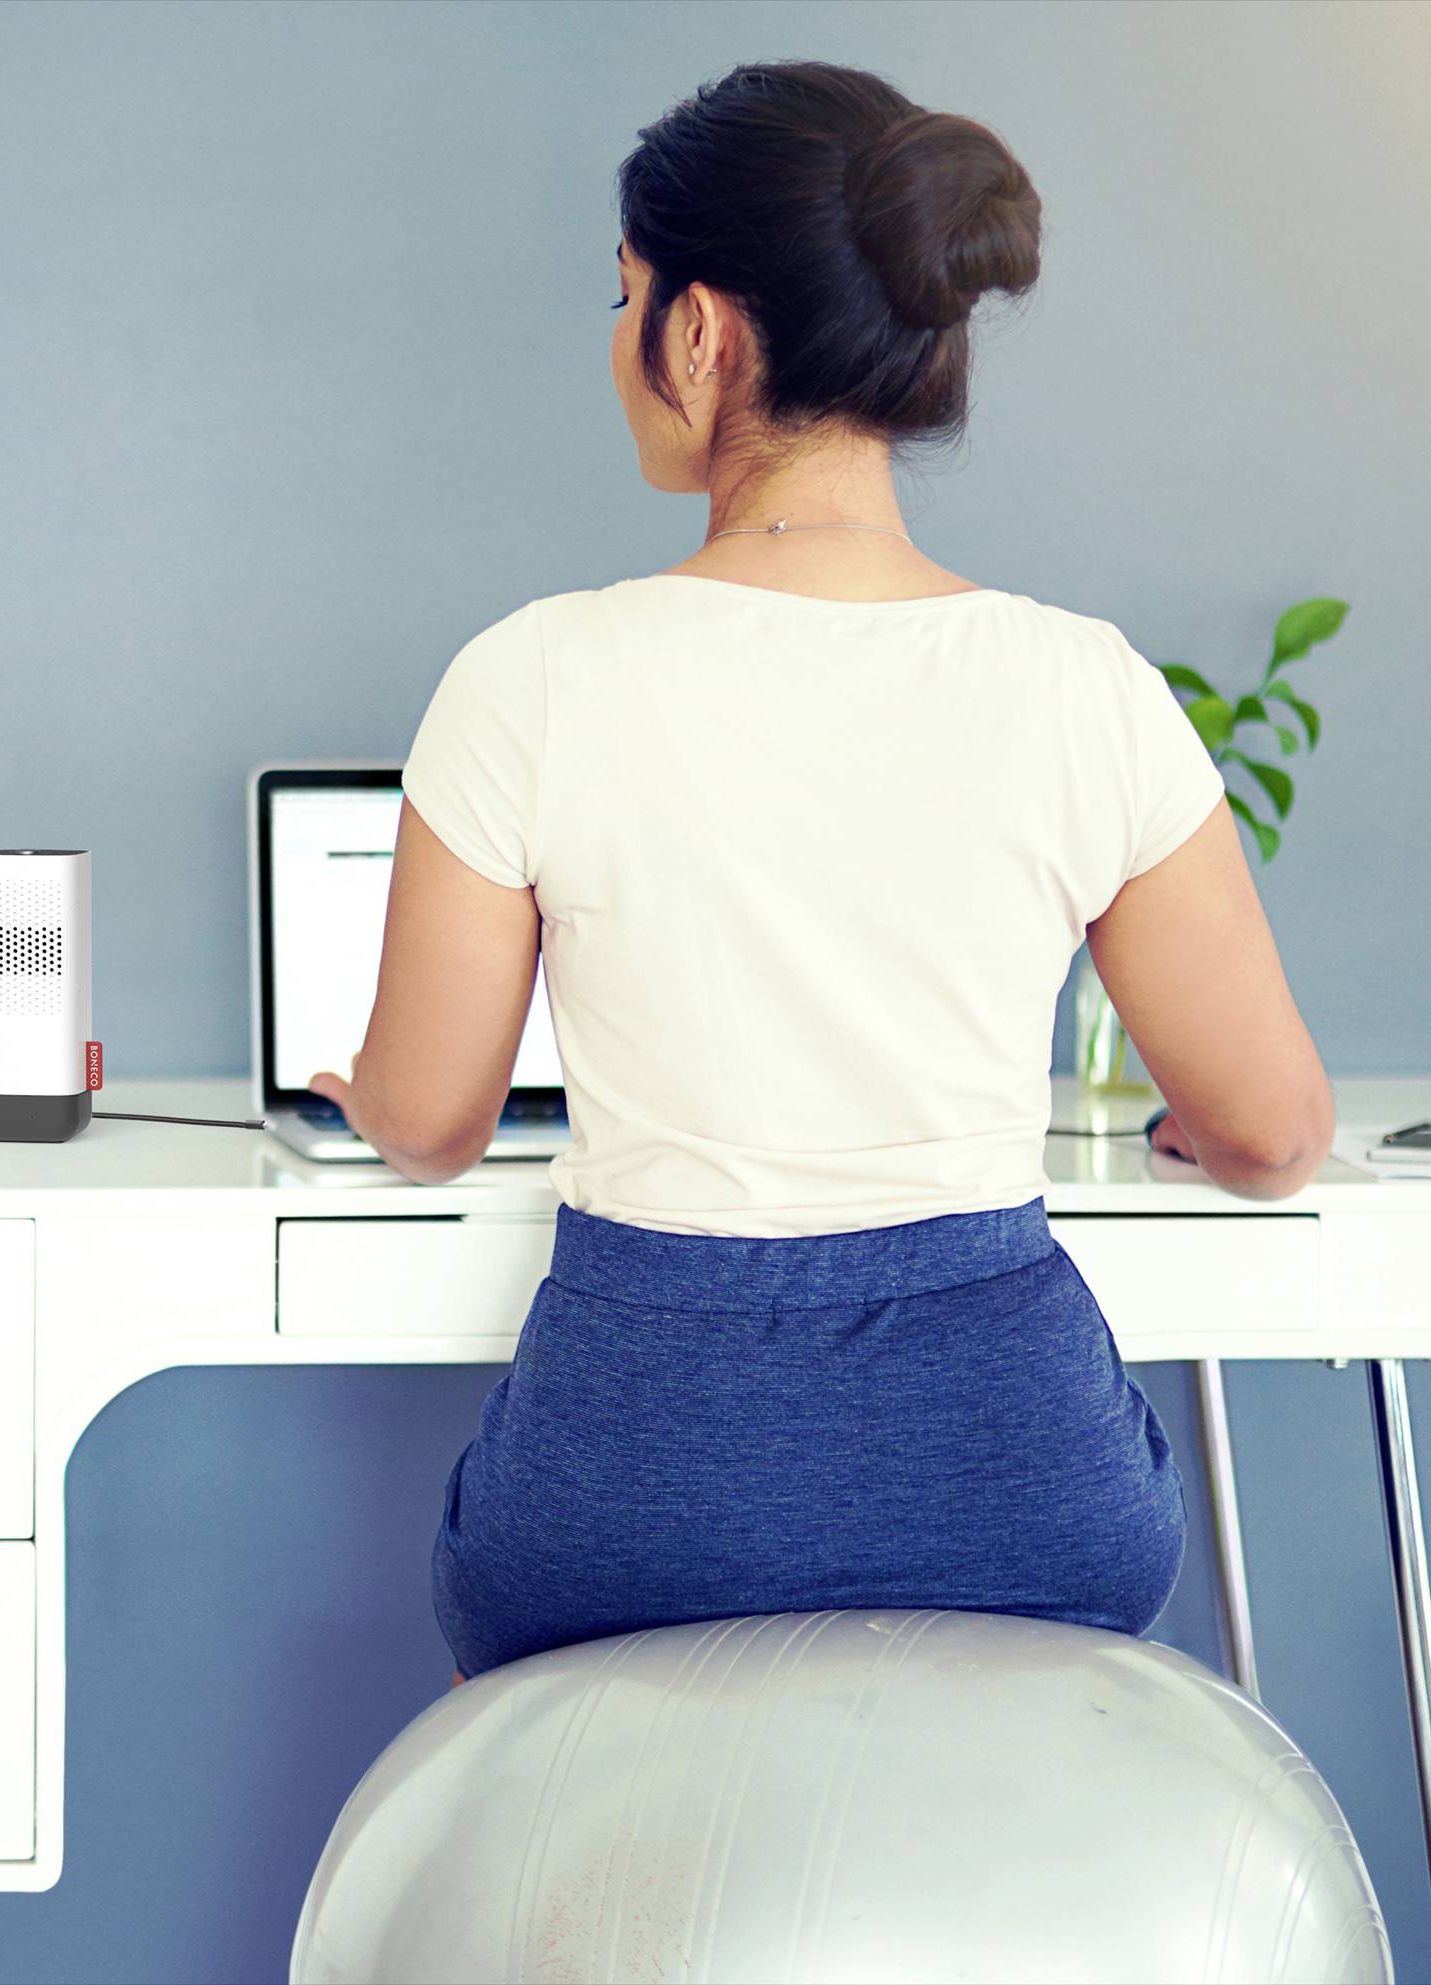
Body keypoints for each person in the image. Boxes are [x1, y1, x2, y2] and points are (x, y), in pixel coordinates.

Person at [305, 60, 1335, 1682]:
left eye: (626, 294)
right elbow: (1274, 1131)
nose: (619, 338)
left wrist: (363, 1088)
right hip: (1021, 1486)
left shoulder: (532, 676)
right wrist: (1192, 1118)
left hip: (635, 1492)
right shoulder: (1085, 685)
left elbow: (430, 1124)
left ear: (701, 334)